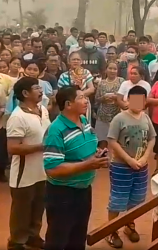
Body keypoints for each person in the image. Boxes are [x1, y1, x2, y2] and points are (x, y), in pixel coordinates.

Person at [42, 86, 108, 250]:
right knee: (58, 238)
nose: (86, 100)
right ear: (68, 104)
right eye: (81, 97)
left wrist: (96, 154)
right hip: (63, 194)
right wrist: (88, 164)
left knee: (78, 237)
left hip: (84, 190)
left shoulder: (83, 120)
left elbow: (86, 147)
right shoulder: (56, 130)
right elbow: (52, 168)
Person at [106, 86, 156, 248]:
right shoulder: (119, 118)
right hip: (121, 166)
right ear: (128, 100)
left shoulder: (145, 118)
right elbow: (112, 141)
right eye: (135, 99)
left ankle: (129, 225)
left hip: (141, 166)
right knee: (118, 199)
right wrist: (129, 160)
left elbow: (152, 139)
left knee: (135, 199)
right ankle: (111, 231)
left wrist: (144, 158)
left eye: (142, 99)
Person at [6, 77, 51, 250]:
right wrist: (41, 147)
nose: (41, 90)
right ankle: (16, 241)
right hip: (23, 174)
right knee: (21, 210)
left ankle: (33, 235)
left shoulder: (43, 110)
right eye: (36, 88)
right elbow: (13, 148)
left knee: (39, 205)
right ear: (25, 93)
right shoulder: (17, 117)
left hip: (42, 170)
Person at [58, 51, 95, 123]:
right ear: (69, 61)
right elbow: (61, 92)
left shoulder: (86, 72)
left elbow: (91, 89)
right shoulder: (63, 76)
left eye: (78, 60)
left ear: (81, 61)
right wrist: (72, 97)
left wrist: (79, 96)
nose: (76, 61)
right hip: (69, 105)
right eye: (73, 59)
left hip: (83, 103)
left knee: (83, 124)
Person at [94, 62, 125, 148]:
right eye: (110, 68)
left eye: (115, 69)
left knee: (117, 142)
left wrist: (116, 97)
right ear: (105, 70)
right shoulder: (101, 83)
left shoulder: (122, 81)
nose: (112, 71)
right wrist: (103, 98)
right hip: (102, 116)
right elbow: (96, 99)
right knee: (102, 142)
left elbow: (125, 97)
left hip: (117, 115)